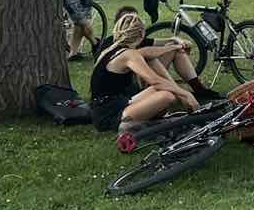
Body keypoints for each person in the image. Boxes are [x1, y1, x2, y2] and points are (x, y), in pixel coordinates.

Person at [89, 7, 220, 133]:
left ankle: (184, 109)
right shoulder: (128, 54)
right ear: (141, 33)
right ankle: (135, 124)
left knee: (166, 88)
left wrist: (172, 46)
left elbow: (149, 55)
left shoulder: (112, 49)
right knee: (167, 96)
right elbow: (156, 81)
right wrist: (186, 94)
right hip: (109, 114)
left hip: (114, 103)